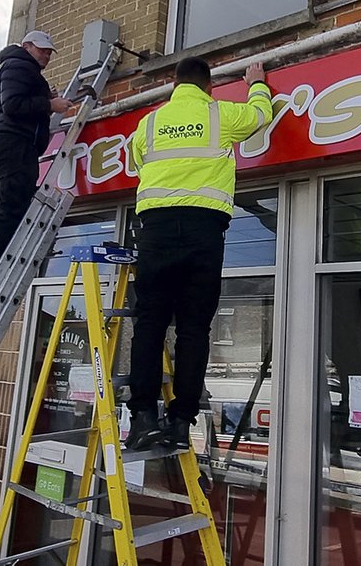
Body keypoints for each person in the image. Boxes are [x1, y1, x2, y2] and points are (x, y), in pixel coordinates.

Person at [124, 57, 272, 450]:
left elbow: (140, 162)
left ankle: (141, 419)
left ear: (175, 85)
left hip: (154, 229)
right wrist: (257, 82)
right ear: (208, 87)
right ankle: (179, 423)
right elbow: (260, 115)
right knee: (193, 329)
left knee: (150, 323)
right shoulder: (218, 113)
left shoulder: (150, 123)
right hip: (203, 230)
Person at [0, 31, 74, 295]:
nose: (47, 55)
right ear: (26, 46)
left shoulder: (17, 68)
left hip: (5, 144)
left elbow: (15, 101)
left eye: (49, 52)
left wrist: (44, 98)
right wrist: (49, 104)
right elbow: (14, 105)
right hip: (16, 146)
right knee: (11, 210)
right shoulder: (20, 65)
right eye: (42, 49)